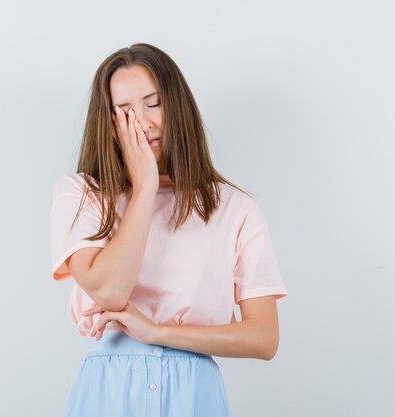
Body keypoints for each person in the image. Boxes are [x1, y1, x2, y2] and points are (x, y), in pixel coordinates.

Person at [49, 43, 288, 417]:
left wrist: (158, 332)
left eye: (153, 103)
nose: (142, 122)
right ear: (108, 123)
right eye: (124, 110)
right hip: (109, 392)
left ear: (177, 105)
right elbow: (110, 292)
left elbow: (264, 337)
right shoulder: (81, 195)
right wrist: (144, 188)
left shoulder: (234, 208)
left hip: (193, 394)